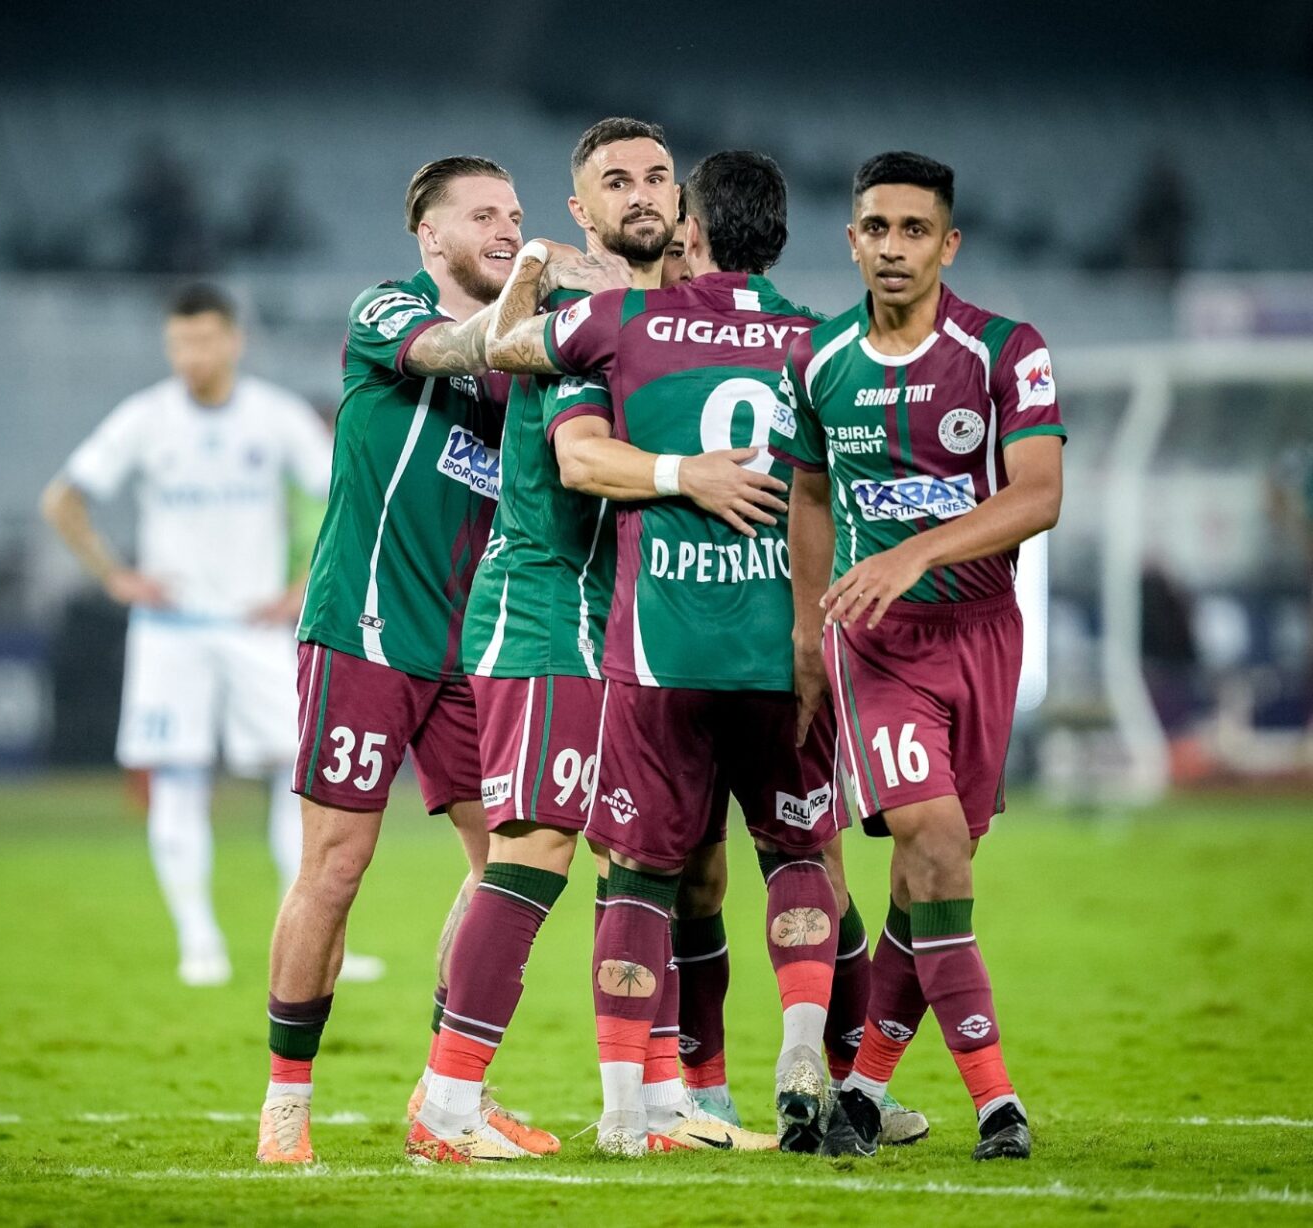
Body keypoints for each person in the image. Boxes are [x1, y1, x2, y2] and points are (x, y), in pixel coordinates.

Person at [409, 119, 781, 1163]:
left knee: (641, 855)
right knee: (534, 850)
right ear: (581, 210)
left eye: (658, 176)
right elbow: (571, 450)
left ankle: (657, 1108)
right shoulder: (571, 313)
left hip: (626, 617)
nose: (643, 193)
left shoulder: (677, 319)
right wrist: (534, 270)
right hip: (544, 607)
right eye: (616, 182)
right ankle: (446, 1103)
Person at [487, 150, 848, 1157]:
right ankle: (806, 1051)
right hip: (778, 644)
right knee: (799, 855)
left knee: (641, 875)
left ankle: (622, 1109)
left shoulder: (625, 323)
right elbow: (838, 492)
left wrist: (540, 264)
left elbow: (509, 346)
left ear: (690, 226)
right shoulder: (822, 341)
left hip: (659, 646)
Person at [772, 151, 1064, 1161]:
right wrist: (807, 632)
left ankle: (861, 1089)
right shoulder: (818, 361)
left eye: (913, 229)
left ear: (949, 244)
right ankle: (997, 1103)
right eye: (876, 228)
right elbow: (811, 494)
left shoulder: (1004, 350)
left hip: (983, 634)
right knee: (931, 841)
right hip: (877, 645)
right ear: (851, 240)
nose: (893, 247)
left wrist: (916, 550)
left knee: (926, 877)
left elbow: (1040, 495)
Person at [259, 156, 542, 1167]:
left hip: (473, 643)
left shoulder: (523, 359)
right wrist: (545, 292)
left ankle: (449, 1091)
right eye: (484, 214)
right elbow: (454, 346)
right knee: (337, 865)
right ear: (430, 234)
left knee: (509, 864)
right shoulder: (389, 309)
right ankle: (285, 1104)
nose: (507, 229)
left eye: (517, 215)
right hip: (367, 627)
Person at [40, 284, 354, 987]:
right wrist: (114, 576)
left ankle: (306, 934)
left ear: (234, 341)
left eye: (205, 340)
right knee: (177, 780)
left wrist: (302, 587)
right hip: (172, 631)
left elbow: (344, 497)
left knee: (295, 776)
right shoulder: (146, 418)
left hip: (254, 626)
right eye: (181, 342)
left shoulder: (274, 416)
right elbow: (61, 499)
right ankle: (198, 939)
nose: (192, 355)